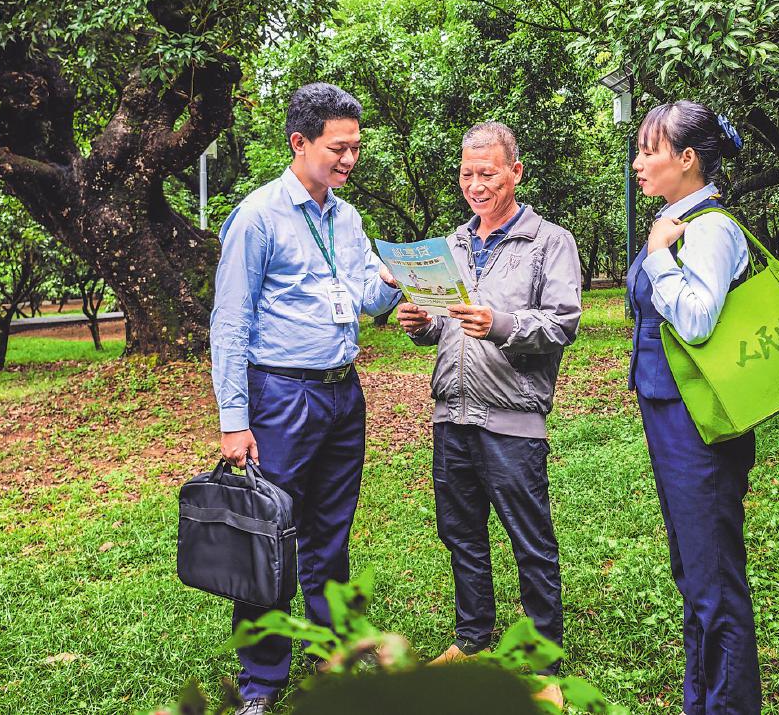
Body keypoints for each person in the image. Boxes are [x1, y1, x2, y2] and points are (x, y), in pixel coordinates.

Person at [209, 82, 401, 714]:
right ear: (300, 142)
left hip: (343, 394)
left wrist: (398, 282)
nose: (350, 159)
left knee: (330, 531)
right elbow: (230, 322)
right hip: (281, 397)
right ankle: (261, 681)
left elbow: (365, 295)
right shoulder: (258, 217)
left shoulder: (347, 219)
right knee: (269, 535)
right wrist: (234, 419)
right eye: (338, 148)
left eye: (356, 147)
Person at [396, 121, 582, 710]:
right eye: (466, 174)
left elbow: (562, 324)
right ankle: (472, 639)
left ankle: (542, 663)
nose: (475, 185)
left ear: (515, 172)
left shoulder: (549, 241)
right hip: (451, 414)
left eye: (487, 173)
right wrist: (422, 324)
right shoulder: (450, 246)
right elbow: (442, 327)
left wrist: (500, 324)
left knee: (530, 540)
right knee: (461, 534)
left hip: (511, 418)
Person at [626, 100, 759, 715]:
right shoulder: (676, 222)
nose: (637, 163)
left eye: (648, 151)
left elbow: (700, 320)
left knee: (714, 579)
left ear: (686, 158)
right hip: (671, 416)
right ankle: (702, 701)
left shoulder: (710, 229)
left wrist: (657, 255)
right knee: (694, 572)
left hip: (700, 425)